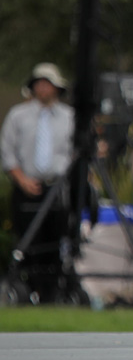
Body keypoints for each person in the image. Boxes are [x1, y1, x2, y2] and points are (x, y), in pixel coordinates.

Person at [0, 63, 76, 300]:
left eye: (48, 83)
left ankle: (53, 292)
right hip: (27, 187)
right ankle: (29, 288)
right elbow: (7, 150)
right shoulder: (18, 116)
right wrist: (21, 179)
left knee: (55, 241)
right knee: (28, 240)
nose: (43, 88)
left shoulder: (69, 117)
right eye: (39, 84)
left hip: (57, 188)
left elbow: (75, 152)